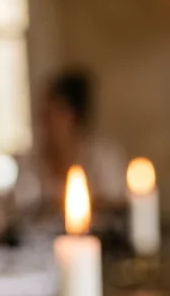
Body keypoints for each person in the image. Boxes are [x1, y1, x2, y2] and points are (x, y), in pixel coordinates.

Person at [14, 70, 127, 221]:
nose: (43, 123)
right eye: (42, 114)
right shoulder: (31, 161)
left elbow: (116, 205)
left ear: (74, 116)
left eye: (53, 114)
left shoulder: (103, 157)